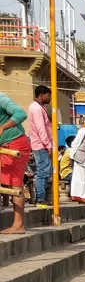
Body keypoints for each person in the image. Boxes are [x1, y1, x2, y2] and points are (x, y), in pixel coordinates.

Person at [0, 92, 29, 234]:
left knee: (14, 184)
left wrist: (3, 127)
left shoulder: (1, 98)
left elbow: (21, 114)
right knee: (6, 183)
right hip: (4, 146)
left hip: (15, 144)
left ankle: (18, 225)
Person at [26, 85, 53, 206]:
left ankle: (43, 197)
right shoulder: (36, 108)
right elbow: (40, 128)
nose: (50, 98)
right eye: (48, 95)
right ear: (41, 95)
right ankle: (40, 198)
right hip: (41, 145)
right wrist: (47, 145)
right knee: (43, 172)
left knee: (45, 172)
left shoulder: (39, 107)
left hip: (42, 144)